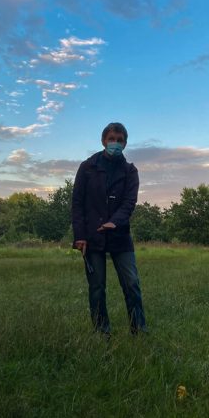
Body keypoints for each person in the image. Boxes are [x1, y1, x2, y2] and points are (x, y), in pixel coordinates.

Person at [71, 123, 148, 336]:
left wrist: (115, 221)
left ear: (125, 143)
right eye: (112, 138)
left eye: (120, 139)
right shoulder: (87, 167)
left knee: (132, 284)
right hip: (92, 235)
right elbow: (77, 204)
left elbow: (129, 202)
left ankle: (139, 330)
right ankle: (101, 332)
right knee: (97, 288)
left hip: (120, 236)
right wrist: (80, 236)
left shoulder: (130, 171)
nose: (115, 143)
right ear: (103, 140)